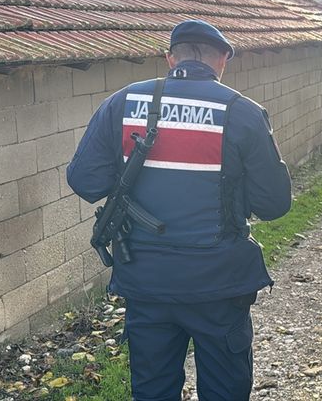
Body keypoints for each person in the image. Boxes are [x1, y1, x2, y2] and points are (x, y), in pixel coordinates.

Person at [67, 20, 292, 401]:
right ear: (222, 60)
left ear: (170, 58)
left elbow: (85, 182)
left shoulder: (121, 103)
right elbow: (274, 204)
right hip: (218, 285)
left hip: (145, 281)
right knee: (225, 391)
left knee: (153, 391)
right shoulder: (242, 111)